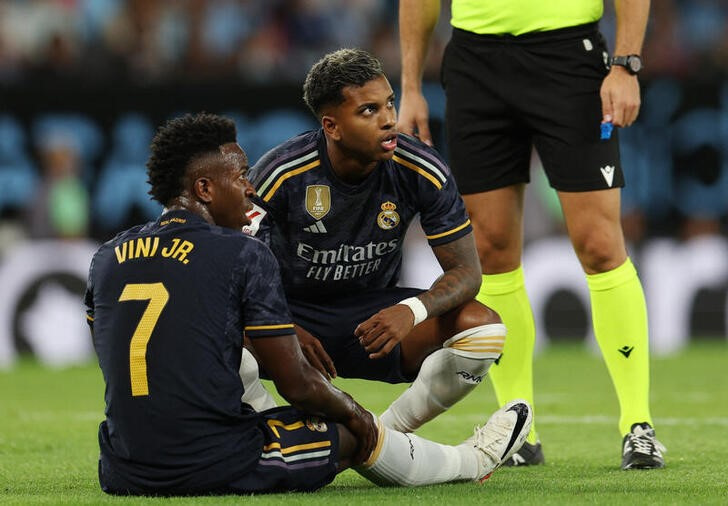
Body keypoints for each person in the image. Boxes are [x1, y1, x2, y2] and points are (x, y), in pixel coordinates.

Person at [84, 112, 532, 496]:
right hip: (212, 460)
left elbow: (112, 350)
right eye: (240, 176)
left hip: (121, 466)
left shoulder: (106, 257)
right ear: (203, 188)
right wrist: (358, 417)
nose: (249, 189)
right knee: (349, 435)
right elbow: (298, 384)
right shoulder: (240, 252)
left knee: (228, 356)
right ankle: (473, 461)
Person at [397, 0, 665, 470]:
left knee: (600, 245)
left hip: (568, 57)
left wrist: (626, 64)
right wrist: (411, 84)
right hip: (475, 63)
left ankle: (637, 425)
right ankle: (519, 431)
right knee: (491, 248)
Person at [245, 48, 507, 437]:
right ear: (331, 126)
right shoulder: (281, 173)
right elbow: (234, 275)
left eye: (389, 104)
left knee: (483, 329)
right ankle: (277, 437)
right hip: (288, 315)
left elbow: (467, 273)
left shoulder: (423, 169)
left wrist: (412, 311)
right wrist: (280, 326)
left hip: (370, 320)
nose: (388, 120)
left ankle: (381, 438)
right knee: (214, 329)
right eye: (368, 111)